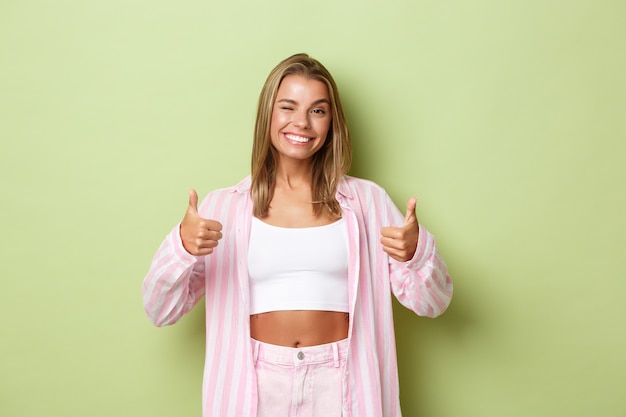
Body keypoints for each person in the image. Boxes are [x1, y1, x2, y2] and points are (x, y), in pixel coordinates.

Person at [142, 53, 453, 417]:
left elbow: (433, 302)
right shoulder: (222, 207)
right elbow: (159, 309)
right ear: (268, 116)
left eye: (318, 111)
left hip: (342, 380)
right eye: (288, 107)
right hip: (255, 382)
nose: (302, 123)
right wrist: (182, 245)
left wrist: (415, 252)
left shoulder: (368, 202)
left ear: (332, 122)